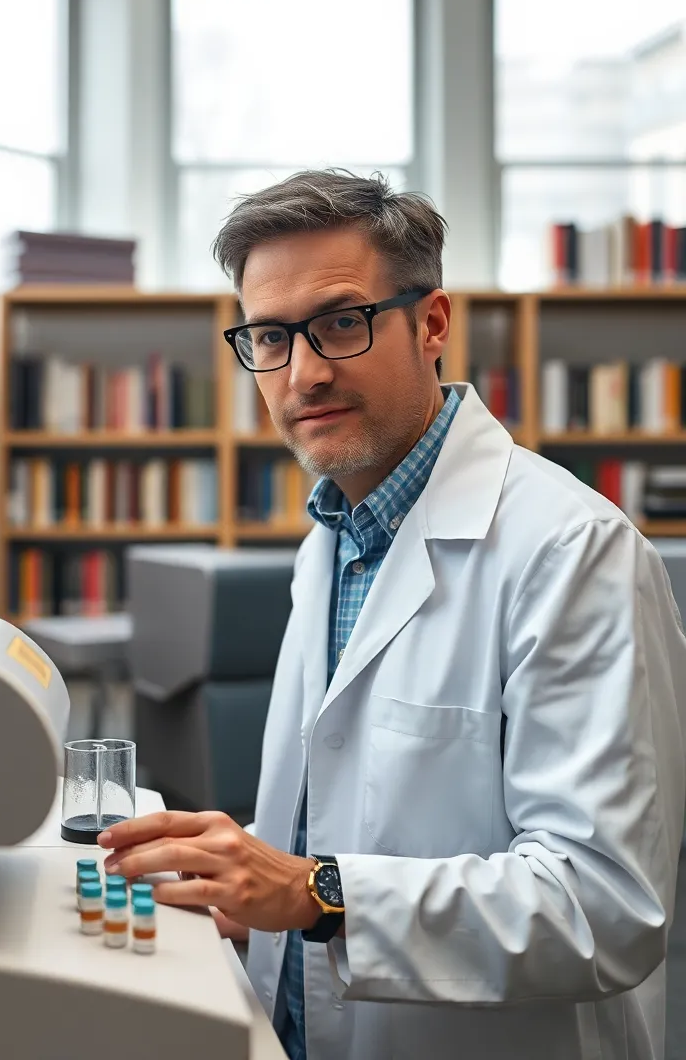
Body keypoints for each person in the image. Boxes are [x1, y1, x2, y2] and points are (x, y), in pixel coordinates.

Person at [99, 170, 686, 1060]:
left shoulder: (574, 552)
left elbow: (602, 905)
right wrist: (242, 887)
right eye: (269, 336)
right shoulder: (329, 540)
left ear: (432, 324)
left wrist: (315, 892)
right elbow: (343, 827)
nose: (304, 372)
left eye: (342, 321)